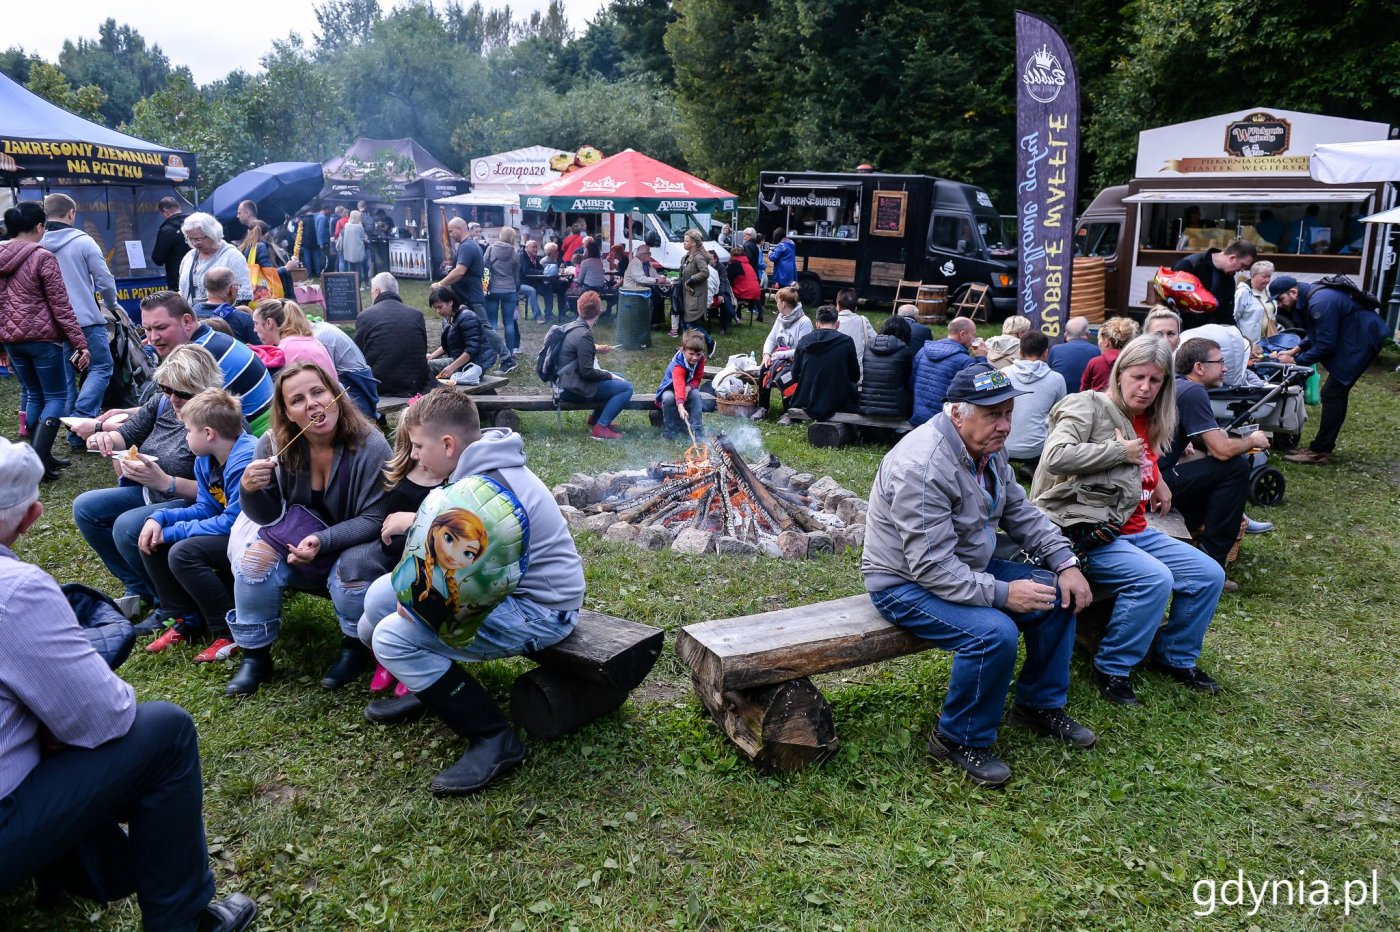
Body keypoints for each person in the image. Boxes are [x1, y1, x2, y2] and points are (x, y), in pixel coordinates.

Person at [0, 438, 257, 932]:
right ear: (31, 516)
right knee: (164, 731)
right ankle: (182, 920)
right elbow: (104, 718)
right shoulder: (16, 590)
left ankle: (82, 866)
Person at [862, 363, 1096, 787]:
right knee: (993, 632)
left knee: (1055, 593)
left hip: (965, 566)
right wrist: (1003, 593)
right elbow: (930, 566)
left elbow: (1020, 512)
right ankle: (956, 738)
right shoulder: (922, 465)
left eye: (1008, 413)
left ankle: (1038, 704)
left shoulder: (988, 449)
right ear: (957, 414)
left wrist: (1065, 562)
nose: (1004, 425)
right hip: (903, 582)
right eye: (993, 415)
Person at [362, 390, 585, 795]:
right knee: (379, 597)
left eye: (418, 446)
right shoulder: (477, 467)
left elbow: (468, 581)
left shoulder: (489, 491)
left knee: (391, 637)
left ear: (448, 444)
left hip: (542, 610)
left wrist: (417, 606)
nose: (415, 456)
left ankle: (493, 737)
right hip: (503, 589)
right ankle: (429, 686)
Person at [1032, 335, 1226, 706]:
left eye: (1155, 380)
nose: (1145, 387)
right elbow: (1055, 457)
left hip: (1135, 531)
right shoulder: (1087, 405)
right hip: (1086, 534)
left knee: (1208, 575)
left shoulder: (1149, 416)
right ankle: (1112, 667)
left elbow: (1141, 460)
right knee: (1154, 579)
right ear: (1119, 373)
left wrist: (1159, 481)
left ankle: (1175, 656)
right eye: (1138, 377)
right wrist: (1117, 451)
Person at [227, 362, 393, 697]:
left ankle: (354, 648)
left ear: (335, 395)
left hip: (357, 539)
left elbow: (375, 519)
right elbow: (266, 516)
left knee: (351, 573)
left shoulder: (371, 445)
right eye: (298, 400)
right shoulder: (273, 445)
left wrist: (322, 540)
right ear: (287, 413)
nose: (312, 403)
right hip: (294, 536)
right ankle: (255, 655)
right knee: (252, 563)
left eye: (318, 392)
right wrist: (250, 489)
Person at [75, 345, 223, 626]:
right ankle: (140, 586)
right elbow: (125, 435)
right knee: (86, 507)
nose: (173, 398)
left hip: (190, 501)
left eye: (182, 393)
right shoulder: (162, 404)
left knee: (127, 527)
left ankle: (173, 606)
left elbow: (219, 494)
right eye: (167, 389)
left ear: (204, 389)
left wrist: (164, 482)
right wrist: (105, 439)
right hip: (151, 491)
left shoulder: (219, 420)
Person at [136, 388, 257, 661]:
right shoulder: (205, 460)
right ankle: (185, 618)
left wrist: (173, 532)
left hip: (254, 538)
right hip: (230, 531)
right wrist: (160, 518)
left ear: (208, 433)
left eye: (188, 430)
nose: (186, 436)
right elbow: (205, 507)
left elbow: (231, 522)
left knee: (183, 552)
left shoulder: (245, 459)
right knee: (154, 538)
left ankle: (229, 630)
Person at [1160, 337, 1269, 576]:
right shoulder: (1194, 391)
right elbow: (1221, 450)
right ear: (1199, 367)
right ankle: (1212, 561)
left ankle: (1192, 537)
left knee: (1213, 471)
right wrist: (1253, 440)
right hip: (1157, 480)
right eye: (1220, 362)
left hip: (1154, 474)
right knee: (1235, 467)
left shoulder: (1178, 385)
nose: (1225, 368)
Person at [0, 201, 89, 479]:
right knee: (56, 397)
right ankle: (39, 463)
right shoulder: (42, 256)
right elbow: (60, 305)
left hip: (11, 340)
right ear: (39, 227)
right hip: (43, 339)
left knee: (34, 394)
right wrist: (80, 343)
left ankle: (40, 458)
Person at [1269, 274, 1389, 466]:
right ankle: (1321, 448)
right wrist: (1294, 350)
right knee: (1335, 393)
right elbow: (1316, 332)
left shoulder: (1320, 302)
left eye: (1280, 299)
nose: (1280, 305)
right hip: (1356, 335)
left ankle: (1319, 451)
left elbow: (1326, 344)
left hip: (1363, 339)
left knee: (1333, 393)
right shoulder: (1313, 297)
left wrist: (1296, 361)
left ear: (1293, 292)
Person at [125, 291, 274, 434]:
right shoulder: (212, 339)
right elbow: (165, 405)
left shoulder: (201, 356)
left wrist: (123, 422)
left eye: (161, 327)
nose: (153, 338)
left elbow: (178, 418)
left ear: (187, 321)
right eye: (147, 329)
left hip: (257, 437)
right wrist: (128, 414)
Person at [40, 194, 118, 442]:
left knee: (65, 377)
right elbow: (104, 279)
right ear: (71, 213)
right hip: (85, 319)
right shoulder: (84, 241)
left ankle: (72, 426)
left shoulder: (36, 245)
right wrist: (112, 305)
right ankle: (81, 422)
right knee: (101, 367)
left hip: (50, 324)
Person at [435, 218, 512, 372]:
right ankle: (459, 356)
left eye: (451, 231)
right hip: (466, 296)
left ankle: (507, 358)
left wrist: (440, 284)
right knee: (462, 326)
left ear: (459, 229)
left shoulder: (467, 247)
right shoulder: (467, 245)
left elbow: (460, 271)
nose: (450, 235)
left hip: (471, 297)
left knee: (484, 328)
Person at [555, 290, 632, 441]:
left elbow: (575, 353)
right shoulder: (584, 335)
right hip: (570, 388)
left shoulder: (573, 326)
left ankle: (596, 418)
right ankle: (600, 428)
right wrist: (609, 375)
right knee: (626, 387)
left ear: (578, 308)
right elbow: (587, 372)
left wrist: (596, 350)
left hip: (563, 381)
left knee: (621, 377)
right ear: (598, 312)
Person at [354, 272, 435, 397]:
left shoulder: (365, 316)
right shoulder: (416, 315)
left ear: (377, 291)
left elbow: (357, 354)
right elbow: (422, 349)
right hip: (414, 384)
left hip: (379, 385)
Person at [1004, 331, 1067, 466]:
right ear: (1046, 353)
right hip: (1036, 449)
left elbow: (982, 394)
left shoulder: (1001, 374)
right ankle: (1034, 468)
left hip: (1001, 445)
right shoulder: (1058, 379)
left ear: (1020, 352)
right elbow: (1059, 415)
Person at [911, 317, 986, 426]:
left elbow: (911, 383)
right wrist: (981, 358)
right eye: (973, 335)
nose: (974, 339)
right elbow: (984, 387)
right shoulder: (965, 361)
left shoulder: (922, 351)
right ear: (962, 334)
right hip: (945, 423)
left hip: (918, 419)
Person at [750, 287, 811, 421]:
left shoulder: (804, 322)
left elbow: (802, 350)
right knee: (764, 368)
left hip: (797, 362)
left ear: (783, 304)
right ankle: (763, 407)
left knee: (786, 375)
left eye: (777, 301)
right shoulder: (781, 318)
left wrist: (781, 355)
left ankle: (789, 412)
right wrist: (766, 354)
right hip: (780, 359)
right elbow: (771, 339)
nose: (777, 304)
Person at [791, 305, 861, 421]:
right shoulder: (846, 341)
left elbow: (795, 376)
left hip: (808, 399)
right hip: (838, 400)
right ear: (837, 324)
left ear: (817, 324)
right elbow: (855, 375)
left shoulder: (804, 341)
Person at [1171, 239, 1257, 329]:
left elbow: (1226, 314)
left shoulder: (1229, 279)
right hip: (1183, 331)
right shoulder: (1189, 265)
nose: (1242, 270)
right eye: (1242, 265)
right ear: (1232, 258)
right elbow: (1170, 303)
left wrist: (1235, 334)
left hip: (1210, 332)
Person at [309, 314, 380, 419]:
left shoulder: (318, 339)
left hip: (356, 386)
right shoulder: (321, 327)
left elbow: (327, 377)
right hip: (364, 380)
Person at [177, 212, 252, 305]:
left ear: (212, 234)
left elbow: (244, 294)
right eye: (189, 239)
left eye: (197, 239)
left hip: (220, 313)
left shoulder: (232, 256)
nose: (194, 243)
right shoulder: (189, 257)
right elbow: (182, 290)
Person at [252, 299, 337, 375]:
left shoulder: (284, 351)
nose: (254, 330)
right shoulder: (313, 341)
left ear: (269, 323)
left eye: (256, 323)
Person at [428, 286, 495, 380]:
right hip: (457, 359)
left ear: (450, 302)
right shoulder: (448, 319)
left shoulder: (468, 317)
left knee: (427, 367)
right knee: (423, 363)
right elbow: (446, 346)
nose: (438, 311)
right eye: (435, 308)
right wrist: (430, 357)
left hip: (473, 364)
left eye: (440, 307)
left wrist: (452, 367)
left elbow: (471, 350)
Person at [859, 316, 915, 420]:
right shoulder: (904, 350)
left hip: (867, 406)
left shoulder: (868, 347)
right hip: (895, 410)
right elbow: (907, 378)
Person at [657, 330, 707, 442]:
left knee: (696, 394)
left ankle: (697, 431)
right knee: (668, 398)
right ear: (683, 350)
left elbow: (697, 379)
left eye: (698, 354)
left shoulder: (701, 359)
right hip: (670, 388)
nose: (695, 358)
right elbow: (679, 385)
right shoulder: (678, 364)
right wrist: (680, 406)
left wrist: (688, 389)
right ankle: (670, 431)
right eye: (691, 354)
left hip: (685, 388)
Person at [484, 227, 521, 357]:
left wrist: (484, 286)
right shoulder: (514, 253)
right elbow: (516, 274)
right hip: (509, 289)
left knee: (492, 322)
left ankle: (494, 351)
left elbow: (485, 268)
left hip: (492, 289)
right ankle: (509, 351)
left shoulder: (490, 249)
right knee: (509, 322)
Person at [195, 267, 257, 344]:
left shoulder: (193, 312)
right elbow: (259, 348)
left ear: (205, 287)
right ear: (232, 289)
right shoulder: (243, 319)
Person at [1080, 316, 1138, 392]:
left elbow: (1083, 392)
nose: (1098, 343)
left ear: (1106, 342)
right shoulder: (1133, 363)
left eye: (1099, 339)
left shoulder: (1095, 362)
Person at [622, 242, 669, 328]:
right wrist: (657, 280)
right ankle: (652, 323)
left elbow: (654, 275)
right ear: (642, 254)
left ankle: (656, 322)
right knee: (656, 297)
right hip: (633, 291)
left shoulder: (647, 264)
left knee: (659, 297)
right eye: (649, 253)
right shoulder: (634, 263)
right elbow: (641, 279)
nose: (650, 255)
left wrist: (662, 278)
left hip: (643, 289)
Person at [1048, 315, 1100, 391]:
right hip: (1087, 396)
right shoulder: (1097, 351)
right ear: (1088, 334)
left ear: (1065, 335)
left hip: (1061, 396)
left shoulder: (1055, 350)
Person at [151, 195, 191, 291]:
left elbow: (158, 259)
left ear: (165, 212)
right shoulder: (196, 225)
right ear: (179, 207)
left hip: (178, 280)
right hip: (199, 276)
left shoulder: (167, 230)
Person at [1233, 259, 1275, 349]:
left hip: (1267, 342)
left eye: (1269, 276)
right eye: (1264, 277)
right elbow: (1234, 317)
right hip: (1248, 344)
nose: (1267, 280)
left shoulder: (1268, 292)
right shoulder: (1243, 292)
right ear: (1253, 275)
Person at [678, 230, 711, 342]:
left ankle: (710, 342)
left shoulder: (698, 257)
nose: (684, 243)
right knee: (685, 323)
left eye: (686, 241)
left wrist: (691, 280)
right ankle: (686, 347)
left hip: (695, 296)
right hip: (686, 295)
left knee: (691, 325)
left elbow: (705, 272)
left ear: (693, 243)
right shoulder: (685, 257)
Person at [834, 288, 876, 373]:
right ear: (855, 307)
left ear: (837, 306)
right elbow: (875, 340)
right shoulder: (863, 320)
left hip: (835, 370)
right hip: (857, 371)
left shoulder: (832, 321)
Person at [337, 209, 369, 284]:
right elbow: (363, 237)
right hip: (357, 251)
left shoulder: (347, 225)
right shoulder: (359, 227)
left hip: (348, 251)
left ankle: (351, 284)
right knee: (358, 270)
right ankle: (358, 284)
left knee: (351, 270)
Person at [517, 238, 545, 322]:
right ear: (527, 247)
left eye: (536, 247)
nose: (536, 249)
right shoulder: (521, 256)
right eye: (534, 247)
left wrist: (546, 270)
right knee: (531, 291)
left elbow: (540, 268)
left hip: (531, 282)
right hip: (520, 283)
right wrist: (542, 272)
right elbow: (526, 271)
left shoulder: (533, 257)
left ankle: (549, 313)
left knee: (547, 288)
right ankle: (538, 316)